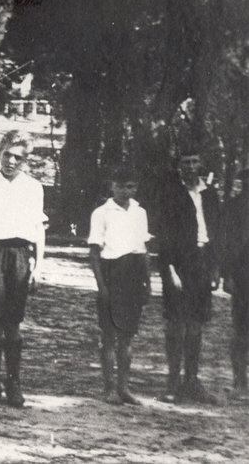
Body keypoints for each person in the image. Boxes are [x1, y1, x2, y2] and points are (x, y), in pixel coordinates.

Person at [0, 130, 45, 408]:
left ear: (26, 159)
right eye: (7, 155)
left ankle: (14, 384)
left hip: (20, 256)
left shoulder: (33, 187)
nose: (11, 161)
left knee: (13, 324)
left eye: (18, 157)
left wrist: (38, 266)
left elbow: (38, 229)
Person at [149, 149, 221, 404]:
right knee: (176, 325)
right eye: (185, 163)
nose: (190, 167)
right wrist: (169, 269)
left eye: (194, 161)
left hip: (203, 262)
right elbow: (163, 235)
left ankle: (192, 381)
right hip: (179, 264)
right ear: (179, 167)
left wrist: (215, 268)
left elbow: (216, 232)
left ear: (201, 164)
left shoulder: (210, 195)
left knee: (196, 325)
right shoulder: (170, 194)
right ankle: (172, 384)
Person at [87, 165, 151, 405]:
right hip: (112, 272)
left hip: (134, 274)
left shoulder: (139, 212)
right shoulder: (102, 213)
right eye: (121, 185)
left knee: (127, 336)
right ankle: (109, 387)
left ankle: (124, 387)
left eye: (131, 186)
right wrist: (102, 286)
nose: (126, 190)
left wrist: (147, 283)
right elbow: (94, 252)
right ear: (112, 185)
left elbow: (143, 250)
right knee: (109, 334)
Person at [224, 167, 249, 400]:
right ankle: (240, 382)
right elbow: (228, 245)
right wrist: (228, 275)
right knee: (241, 330)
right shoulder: (234, 207)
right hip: (243, 277)